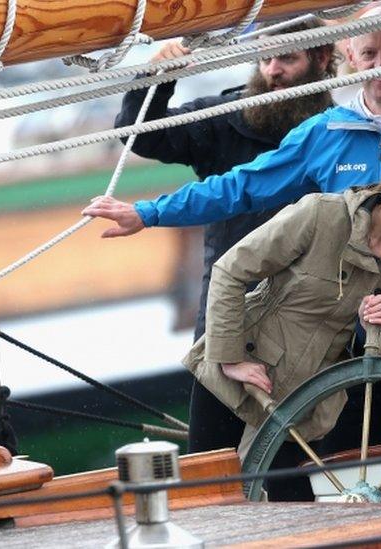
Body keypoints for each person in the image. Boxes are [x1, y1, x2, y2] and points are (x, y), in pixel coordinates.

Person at [83, 5, 381, 451]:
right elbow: (242, 186)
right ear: (350, 55)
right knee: (335, 464)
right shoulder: (325, 133)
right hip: (343, 338)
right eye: (370, 52)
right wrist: (149, 214)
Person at [181, 130, 381, 498]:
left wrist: (372, 328)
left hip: (303, 404)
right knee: (207, 499)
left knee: (292, 514)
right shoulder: (321, 214)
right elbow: (230, 269)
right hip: (235, 375)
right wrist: (230, 359)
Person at [111, 19, 336, 454]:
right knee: (212, 451)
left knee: (299, 451)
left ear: (322, 59)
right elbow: (141, 135)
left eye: (286, 58)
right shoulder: (226, 120)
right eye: (266, 58)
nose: (272, 70)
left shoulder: (338, 132)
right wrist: (158, 77)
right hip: (227, 309)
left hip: (307, 315)